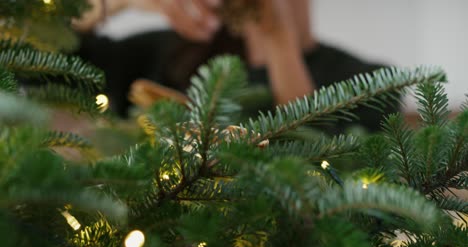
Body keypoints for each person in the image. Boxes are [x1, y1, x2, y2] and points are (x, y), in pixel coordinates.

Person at [74, 0, 399, 134]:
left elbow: (319, 166)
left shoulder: (369, 82)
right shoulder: (168, 53)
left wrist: (278, 39)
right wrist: (117, 2)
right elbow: (47, 53)